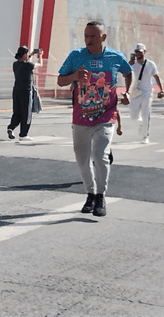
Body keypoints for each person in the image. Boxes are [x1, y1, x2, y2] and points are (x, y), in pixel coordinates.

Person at [57, 21, 132, 217]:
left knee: (100, 156)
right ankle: (90, 194)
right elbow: (60, 80)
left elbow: (128, 72)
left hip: (106, 116)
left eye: (92, 36)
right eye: (86, 36)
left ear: (103, 37)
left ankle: (100, 196)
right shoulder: (76, 56)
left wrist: (127, 93)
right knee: (82, 161)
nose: (88, 40)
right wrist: (74, 76)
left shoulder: (115, 57)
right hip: (81, 117)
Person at [128, 43, 164, 144]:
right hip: (135, 92)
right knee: (134, 116)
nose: (138, 53)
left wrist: (161, 89)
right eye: (136, 51)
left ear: (144, 52)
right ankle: (142, 125)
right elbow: (125, 74)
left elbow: (156, 77)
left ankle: (145, 136)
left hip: (147, 92)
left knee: (145, 113)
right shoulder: (132, 64)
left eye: (140, 51)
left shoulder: (150, 64)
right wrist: (128, 65)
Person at [7, 46, 42, 141]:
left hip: (16, 90)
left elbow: (24, 59)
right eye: (27, 54)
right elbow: (39, 64)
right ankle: (23, 134)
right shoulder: (28, 65)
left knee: (17, 112)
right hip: (26, 91)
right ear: (24, 55)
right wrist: (40, 56)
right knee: (26, 113)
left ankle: (11, 127)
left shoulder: (15, 64)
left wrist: (31, 53)